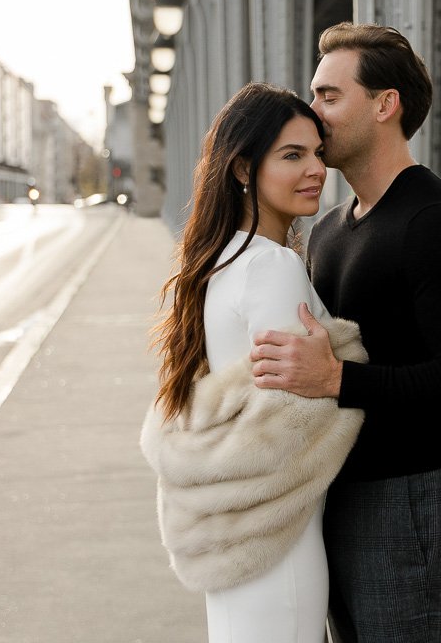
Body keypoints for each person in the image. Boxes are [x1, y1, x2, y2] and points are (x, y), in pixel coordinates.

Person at [249, 23, 441, 642]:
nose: (313, 112)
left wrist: (337, 378)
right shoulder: (334, 227)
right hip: (343, 495)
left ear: (385, 104)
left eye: (330, 95)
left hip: (410, 500)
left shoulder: (436, 222)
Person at [141, 83, 369, 643]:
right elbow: (294, 416)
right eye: (292, 155)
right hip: (278, 543)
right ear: (243, 168)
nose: (316, 168)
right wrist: (350, 371)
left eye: (317, 152)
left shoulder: (215, 264)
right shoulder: (272, 268)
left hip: (235, 541)